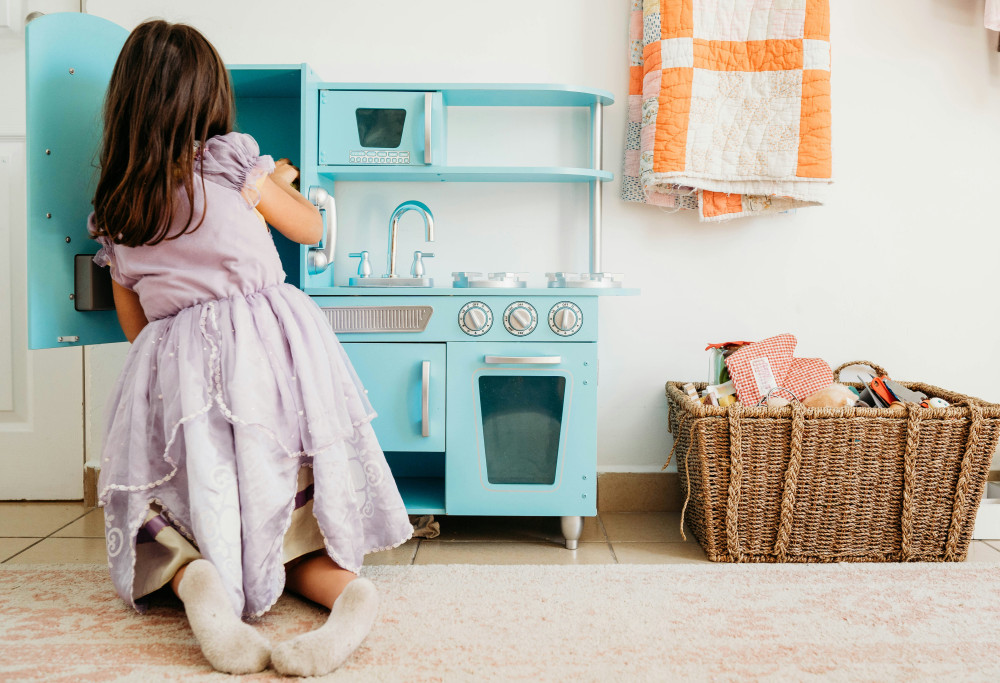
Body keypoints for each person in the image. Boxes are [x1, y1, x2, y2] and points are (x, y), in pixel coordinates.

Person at [88, 20, 413, 676]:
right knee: (290, 516)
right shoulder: (231, 161)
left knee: (173, 509)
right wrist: (269, 185)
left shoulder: (118, 209)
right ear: (208, 98)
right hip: (268, 353)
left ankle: (195, 577)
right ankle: (347, 593)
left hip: (177, 367)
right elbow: (310, 226)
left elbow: (136, 327)